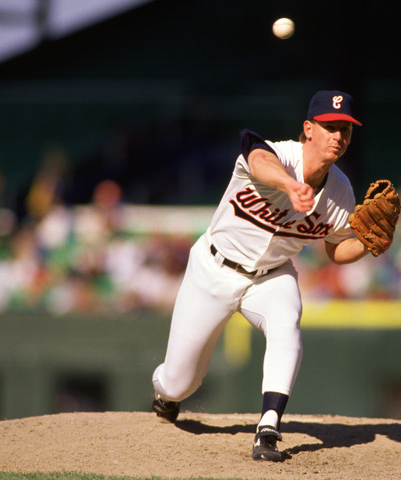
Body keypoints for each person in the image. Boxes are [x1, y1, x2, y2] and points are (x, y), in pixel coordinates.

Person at [151, 90, 372, 462]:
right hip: (213, 268)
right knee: (180, 383)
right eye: (330, 127)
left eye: (346, 130)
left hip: (271, 276)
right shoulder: (278, 155)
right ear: (308, 129)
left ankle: (268, 427)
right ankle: (164, 394)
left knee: (287, 322)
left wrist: (369, 243)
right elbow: (255, 155)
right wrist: (290, 185)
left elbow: (336, 249)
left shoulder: (341, 192)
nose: (339, 136)